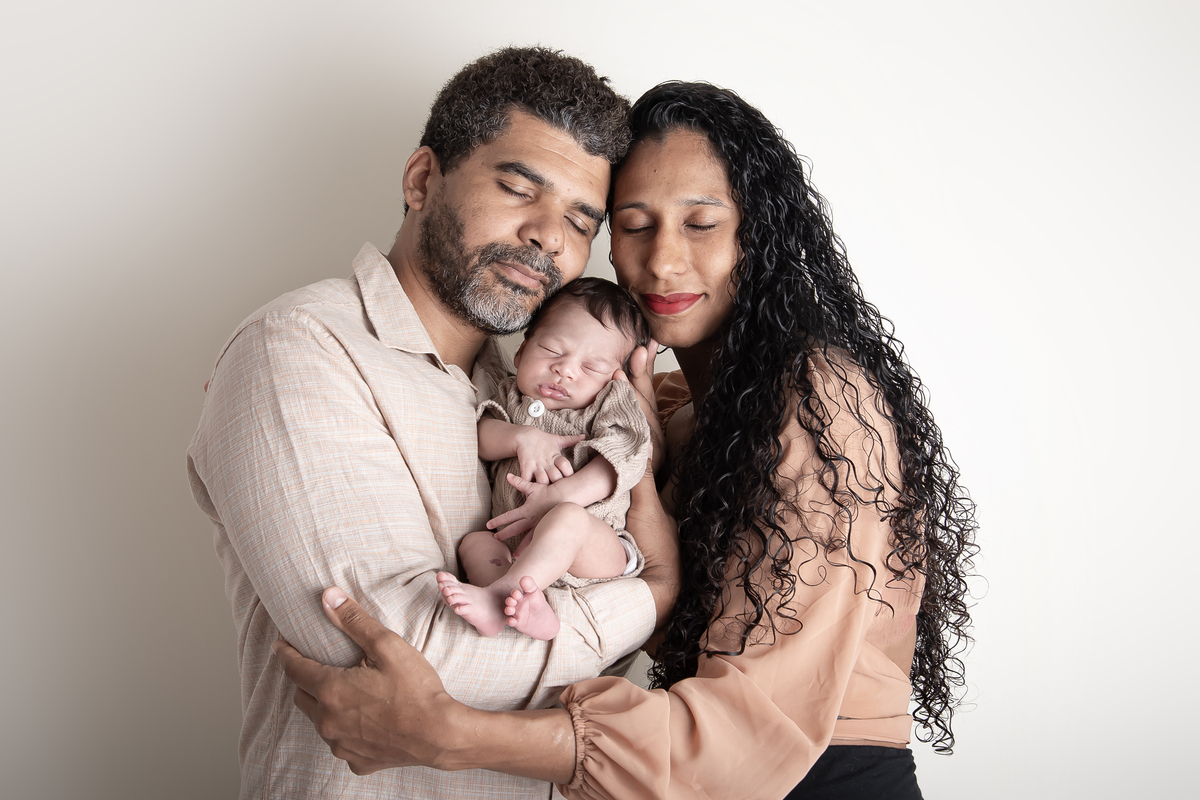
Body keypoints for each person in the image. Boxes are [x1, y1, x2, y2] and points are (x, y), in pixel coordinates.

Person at [274, 81, 978, 799]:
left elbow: (750, 731)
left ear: (759, 233)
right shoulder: (673, 413)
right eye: (635, 226)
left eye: (701, 223)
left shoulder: (817, 402)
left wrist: (451, 735)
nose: (662, 261)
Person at [186, 47, 679, 800]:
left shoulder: (527, 390)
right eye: (519, 188)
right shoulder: (298, 350)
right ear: (422, 179)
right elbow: (411, 659)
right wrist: (653, 595)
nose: (550, 237)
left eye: (580, 222)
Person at [439, 278, 653, 641]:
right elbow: (482, 438)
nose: (565, 370)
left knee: (568, 517)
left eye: (591, 367)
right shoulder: (510, 395)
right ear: (521, 352)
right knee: (474, 544)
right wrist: (523, 437)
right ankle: (516, 606)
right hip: (514, 551)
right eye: (552, 350)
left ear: (615, 379)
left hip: (592, 547)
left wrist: (557, 497)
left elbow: (626, 454)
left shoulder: (607, 404)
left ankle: (503, 593)